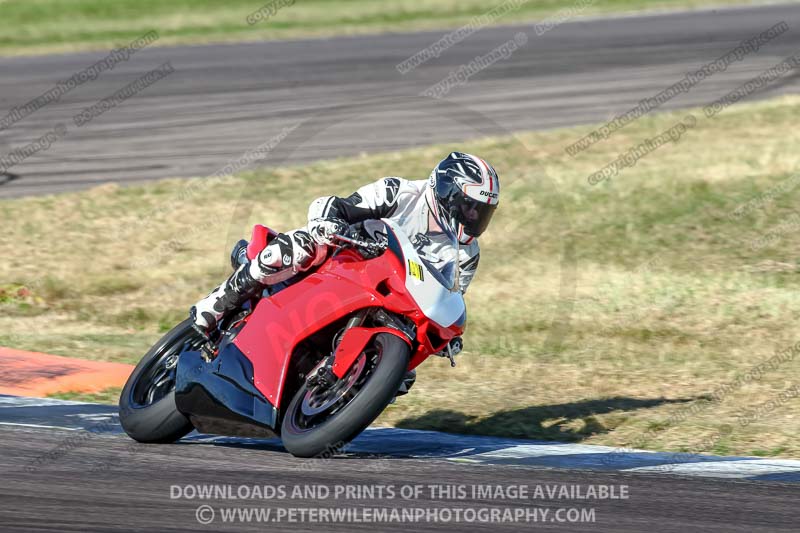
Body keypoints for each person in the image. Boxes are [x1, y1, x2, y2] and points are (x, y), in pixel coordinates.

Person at [190, 152, 500, 357]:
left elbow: (448, 297)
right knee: (299, 246)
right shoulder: (400, 193)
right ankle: (217, 303)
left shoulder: (466, 253)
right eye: (468, 205)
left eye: (482, 210)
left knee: (404, 375)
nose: (473, 215)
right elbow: (337, 205)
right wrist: (333, 224)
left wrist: (448, 337)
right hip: (343, 259)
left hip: (388, 297)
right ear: (446, 192)